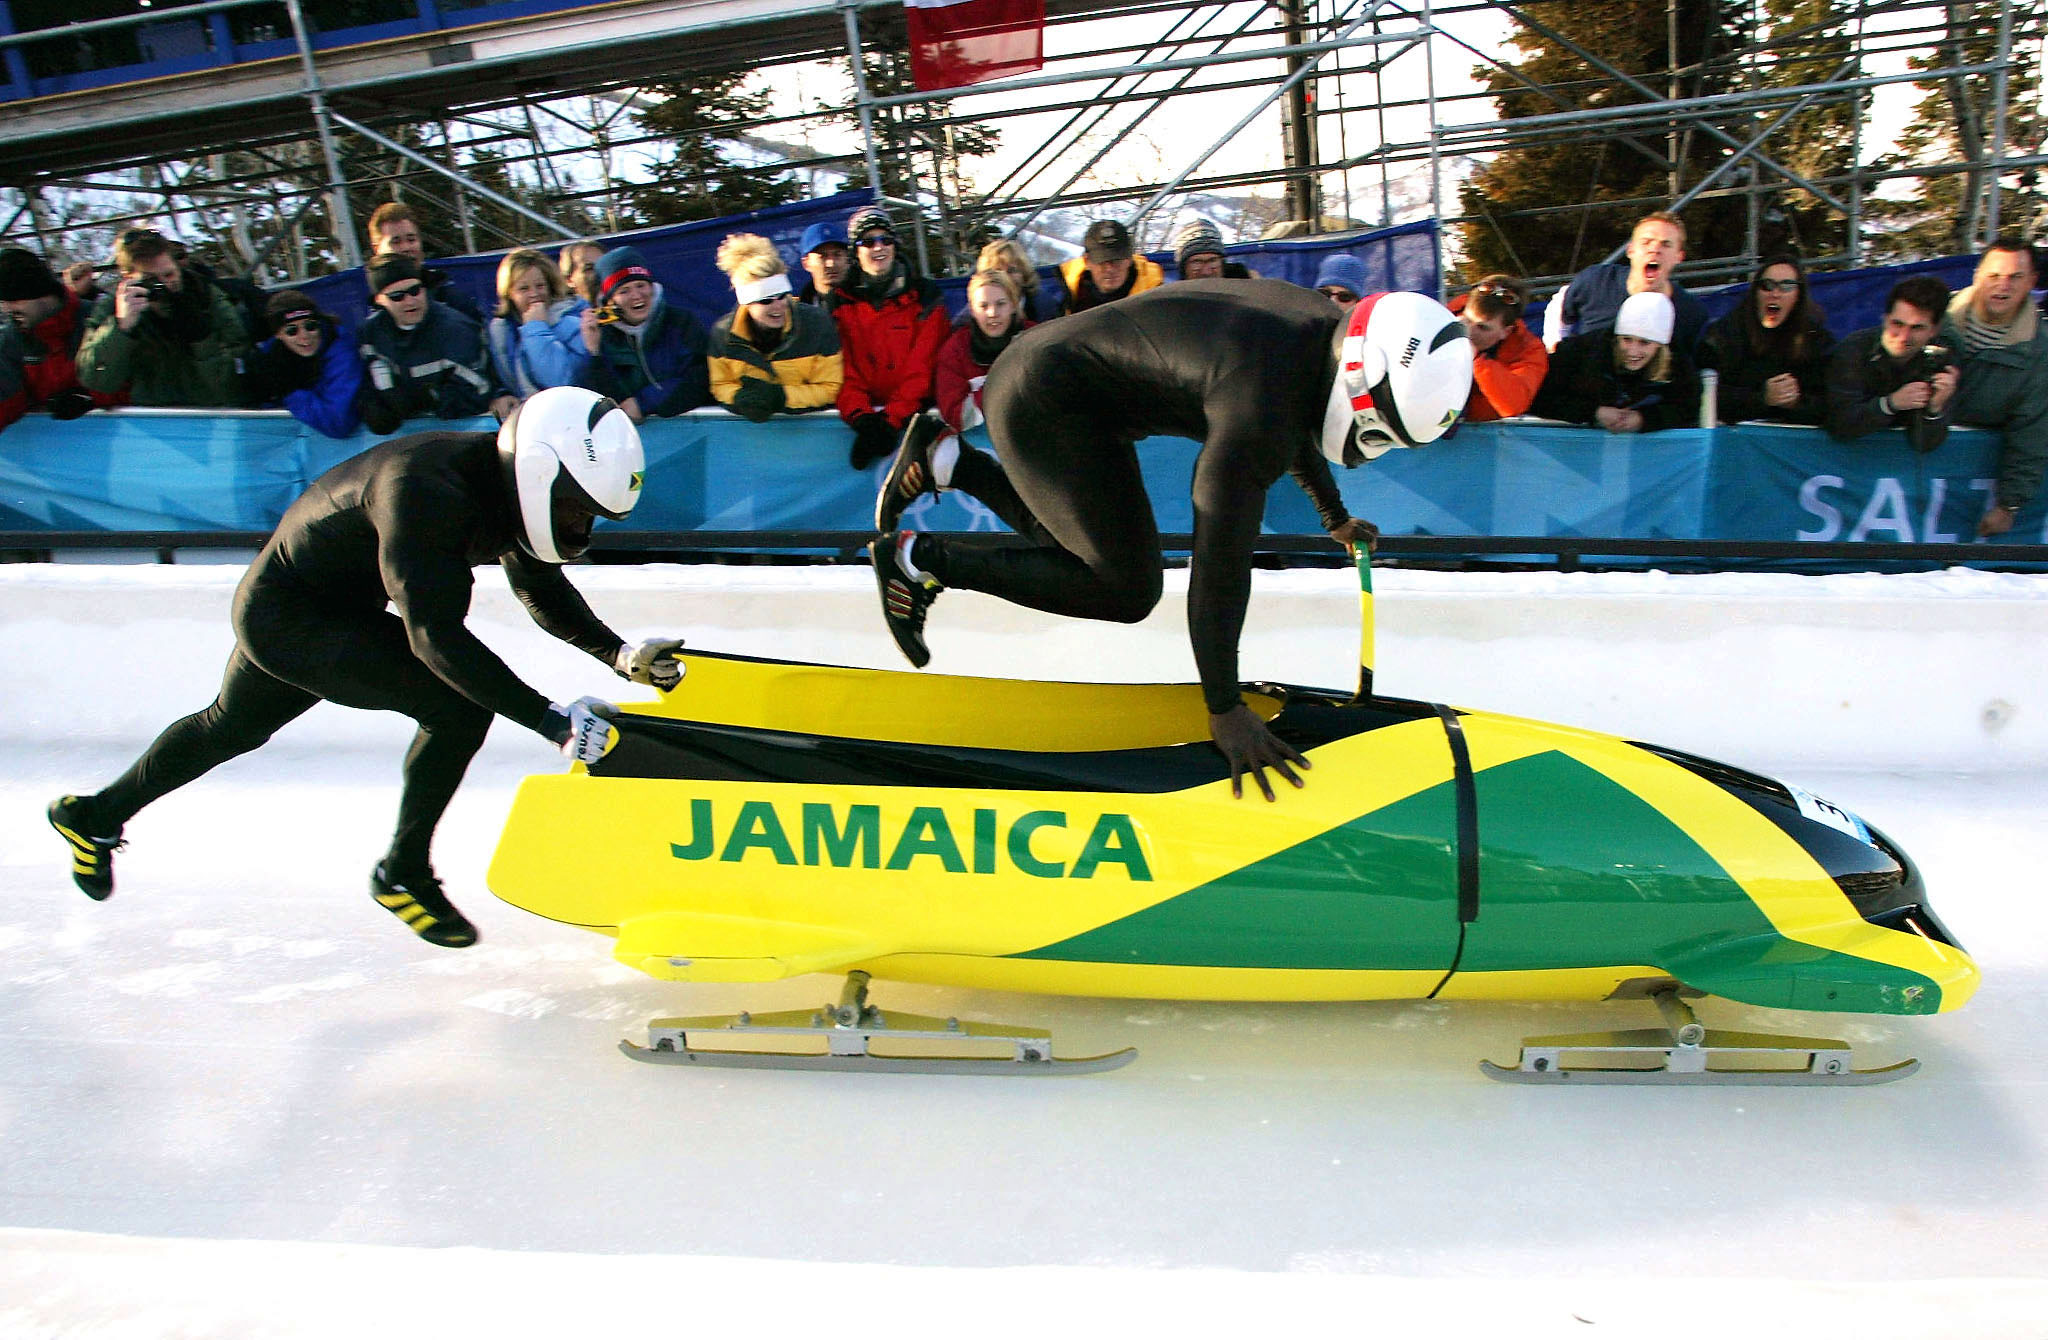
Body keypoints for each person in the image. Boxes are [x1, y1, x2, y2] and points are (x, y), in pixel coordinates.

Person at [46, 387, 685, 948]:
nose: (581, 527)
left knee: (228, 728)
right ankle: (403, 872)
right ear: (540, 476)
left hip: (311, 605)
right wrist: (551, 723)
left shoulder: (503, 482)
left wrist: (620, 656)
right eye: (577, 510)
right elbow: (435, 637)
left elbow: (540, 589)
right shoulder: (426, 490)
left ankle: (94, 816)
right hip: (291, 618)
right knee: (456, 707)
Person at [869, 282, 1470, 799]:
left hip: (1056, 376)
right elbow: (1219, 562)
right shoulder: (1259, 406)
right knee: (1123, 587)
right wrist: (1224, 707)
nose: (1371, 453)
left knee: (1090, 548)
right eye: (1380, 435)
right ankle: (919, 559)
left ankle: (948, 459)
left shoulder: (1318, 330)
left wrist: (1332, 515)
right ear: (1363, 387)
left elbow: (1304, 413)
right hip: (1043, 398)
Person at [1936, 239, 2048, 536]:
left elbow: (2032, 433)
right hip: (1898, 463)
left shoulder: (2040, 352)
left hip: (1964, 487)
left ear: (2032, 282)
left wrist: (2009, 504)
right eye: (1994, 275)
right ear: (1976, 275)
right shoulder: (1931, 316)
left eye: (2015, 277)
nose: (2003, 286)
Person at [828, 206, 950, 467]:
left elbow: (923, 367)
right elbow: (840, 368)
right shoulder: (839, 302)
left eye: (886, 240)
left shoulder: (924, 294)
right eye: (868, 242)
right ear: (856, 251)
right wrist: (862, 418)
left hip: (913, 420)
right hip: (861, 423)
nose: (878, 248)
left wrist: (892, 420)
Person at [76, 228, 249, 408]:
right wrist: (120, 329)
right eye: (150, 280)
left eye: (169, 274)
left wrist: (201, 339)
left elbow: (237, 379)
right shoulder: (113, 307)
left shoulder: (207, 297)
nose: (163, 285)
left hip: (213, 409)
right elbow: (95, 380)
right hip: (153, 415)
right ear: (129, 280)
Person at [705, 232, 843, 422]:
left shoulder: (816, 323)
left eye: (782, 295)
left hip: (809, 430)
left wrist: (781, 396)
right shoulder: (723, 335)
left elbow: (831, 387)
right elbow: (720, 384)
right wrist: (739, 397)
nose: (778, 306)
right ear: (747, 303)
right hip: (753, 436)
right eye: (766, 300)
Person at [357, 253, 498, 434]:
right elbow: (369, 370)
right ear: (379, 300)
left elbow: (482, 390)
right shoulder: (370, 332)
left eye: (415, 290)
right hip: (407, 437)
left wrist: (429, 398)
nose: (410, 300)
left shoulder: (455, 330)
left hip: (462, 433)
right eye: (397, 296)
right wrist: (374, 401)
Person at [574, 245, 712, 423]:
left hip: (693, 427)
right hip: (636, 438)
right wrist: (593, 353)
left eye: (641, 285)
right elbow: (593, 398)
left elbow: (701, 375)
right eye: (624, 291)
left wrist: (644, 403)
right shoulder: (603, 336)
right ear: (609, 300)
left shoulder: (680, 321)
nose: (637, 295)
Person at [1822, 275, 1957, 455]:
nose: (1903, 336)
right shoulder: (1855, 349)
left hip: (1898, 470)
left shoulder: (1939, 359)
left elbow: (1924, 445)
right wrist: (1890, 404)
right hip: (1841, 462)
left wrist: (1934, 410)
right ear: (1885, 319)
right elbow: (1839, 424)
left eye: (1916, 328)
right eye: (1897, 324)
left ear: (1933, 331)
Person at [1530, 290, 1700, 432]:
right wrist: (1593, 412)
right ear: (1616, 338)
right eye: (1627, 340)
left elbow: (1688, 407)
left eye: (1644, 343)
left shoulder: (1676, 363)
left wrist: (1644, 419)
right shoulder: (1581, 353)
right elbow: (1537, 396)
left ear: (1660, 345)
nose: (1633, 351)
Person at [1697, 254, 1834, 425]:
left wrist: (1797, 403)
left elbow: (1835, 404)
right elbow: (1699, 393)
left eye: (1786, 286)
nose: (1775, 293)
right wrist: (1761, 398)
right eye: (1766, 285)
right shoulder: (1725, 333)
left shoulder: (1817, 340)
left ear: (1799, 295)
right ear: (1755, 292)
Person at [0, 247, 124, 429]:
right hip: (55, 449)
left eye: (13, 300)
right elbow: (7, 403)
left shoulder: (97, 320)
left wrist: (91, 400)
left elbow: (140, 385)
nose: (7, 310)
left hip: (126, 442)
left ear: (38, 292)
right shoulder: (13, 340)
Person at [1551, 211, 1708, 353]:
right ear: (1630, 250)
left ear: (1679, 257)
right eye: (1646, 242)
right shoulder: (1596, 280)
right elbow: (1559, 308)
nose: (1655, 249)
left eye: (1666, 244)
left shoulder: (1691, 313)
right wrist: (1554, 346)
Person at [242, 290, 363, 439]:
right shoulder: (269, 356)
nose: (304, 336)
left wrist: (290, 392)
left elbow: (339, 423)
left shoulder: (342, 352)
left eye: (310, 326)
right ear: (278, 335)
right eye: (292, 331)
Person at [485, 248, 590, 405]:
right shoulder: (501, 330)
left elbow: (558, 381)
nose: (534, 294)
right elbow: (496, 378)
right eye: (524, 288)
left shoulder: (573, 322)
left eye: (540, 286)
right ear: (509, 293)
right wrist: (501, 394)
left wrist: (536, 327)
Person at [933, 268, 1032, 432]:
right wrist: (1000, 384)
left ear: (1014, 305)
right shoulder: (955, 350)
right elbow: (956, 417)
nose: (992, 313)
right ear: (972, 310)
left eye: (1001, 304)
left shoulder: (1035, 339)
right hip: (979, 439)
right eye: (983, 306)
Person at [365, 201, 484, 324]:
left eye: (411, 239)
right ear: (377, 249)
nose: (406, 248)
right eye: (396, 242)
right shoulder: (369, 316)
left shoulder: (451, 299)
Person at [1449, 274, 1547, 421]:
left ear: (1505, 331)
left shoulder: (1530, 350)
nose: (1469, 331)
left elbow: (1514, 405)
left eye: (1482, 327)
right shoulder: (1441, 316)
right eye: (1467, 320)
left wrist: (1476, 360)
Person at [1058, 218, 1165, 315]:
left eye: (1117, 260)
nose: (1110, 269)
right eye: (1102, 262)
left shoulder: (1156, 296)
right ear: (1087, 262)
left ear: (1129, 259)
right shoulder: (1065, 295)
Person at [977, 238, 1047, 321]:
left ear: (1024, 274)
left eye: (1012, 270)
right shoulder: (976, 308)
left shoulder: (1044, 305)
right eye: (998, 271)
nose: (1005, 277)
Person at [1173, 219, 1252, 281]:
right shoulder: (1172, 298)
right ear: (1183, 267)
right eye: (1196, 262)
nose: (1206, 272)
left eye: (1212, 261)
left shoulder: (1244, 286)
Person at [794, 222, 851, 306]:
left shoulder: (869, 302)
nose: (831, 264)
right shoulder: (796, 313)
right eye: (822, 256)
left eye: (837, 255)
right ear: (806, 263)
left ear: (848, 259)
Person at [558, 241, 606, 305]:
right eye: (589, 268)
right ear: (569, 280)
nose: (600, 271)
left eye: (603, 265)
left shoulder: (621, 306)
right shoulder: (566, 313)